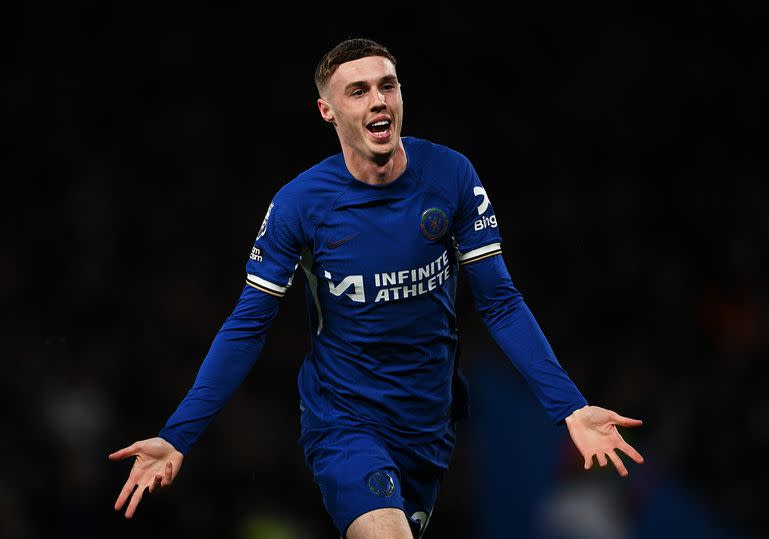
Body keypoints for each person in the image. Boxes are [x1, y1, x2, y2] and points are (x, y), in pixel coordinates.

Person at [109, 37, 645, 539]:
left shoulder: (451, 175)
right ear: (328, 111)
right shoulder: (301, 204)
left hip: (428, 427)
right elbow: (249, 324)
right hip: (345, 419)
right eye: (358, 91)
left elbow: (500, 303)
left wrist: (570, 407)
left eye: (387, 85)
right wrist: (178, 433)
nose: (378, 101)